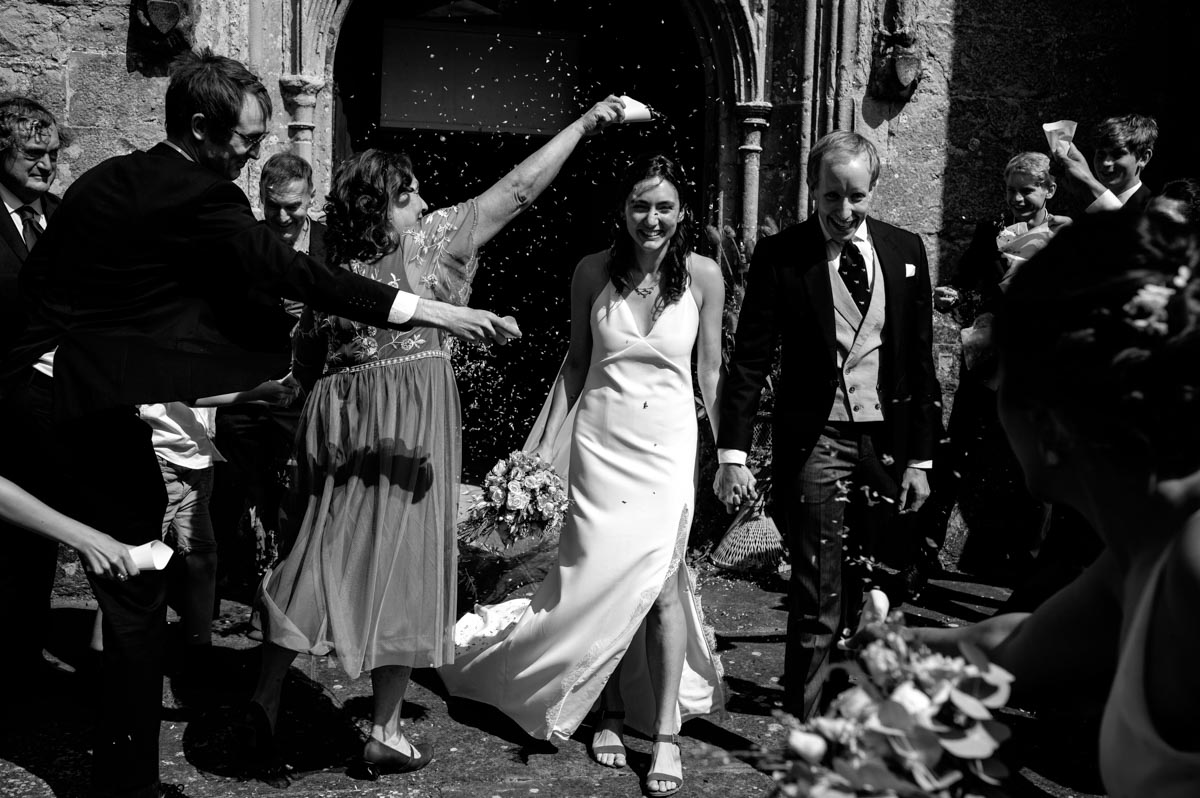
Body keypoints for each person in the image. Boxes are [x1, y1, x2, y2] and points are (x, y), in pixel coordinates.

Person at [0, 48, 518, 798]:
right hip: (75, 410)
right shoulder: (208, 201)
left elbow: (115, 311)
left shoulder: (106, 180)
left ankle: (48, 705)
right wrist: (435, 309)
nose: (254, 151)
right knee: (140, 581)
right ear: (204, 128)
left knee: (51, 564)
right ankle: (125, 785)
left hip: (35, 394)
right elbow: (296, 277)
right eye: (246, 137)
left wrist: (219, 391)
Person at [249, 97, 627, 784]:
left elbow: (303, 362)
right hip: (407, 422)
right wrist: (588, 123)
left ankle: (265, 700)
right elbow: (518, 189)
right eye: (411, 193)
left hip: (337, 419)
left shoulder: (329, 264)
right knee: (408, 564)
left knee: (316, 552)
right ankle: (386, 730)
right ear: (384, 204)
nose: (424, 202)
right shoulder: (425, 248)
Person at [852, 207, 1200, 797]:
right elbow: (1010, 646)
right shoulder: (1144, 549)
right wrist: (892, 643)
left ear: (1050, 415)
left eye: (996, 371)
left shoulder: (1191, 562)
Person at [441, 153, 726, 798]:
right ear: (621, 210)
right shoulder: (592, 271)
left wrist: (730, 454)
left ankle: (665, 734)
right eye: (639, 206)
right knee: (598, 580)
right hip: (602, 449)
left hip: (668, 450)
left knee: (660, 586)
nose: (651, 219)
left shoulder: (705, 276)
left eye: (664, 207)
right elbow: (576, 362)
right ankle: (607, 713)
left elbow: (709, 372)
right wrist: (542, 448)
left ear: (683, 212)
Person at [714, 130, 941, 721]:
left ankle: (868, 701)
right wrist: (732, 453)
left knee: (888, 576)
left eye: (856, 197)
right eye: (831, 198)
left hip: (888, 441)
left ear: (874, 189)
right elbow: (750, 358)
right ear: (812, 191)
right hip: (817, 437)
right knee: (818, 585)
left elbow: (919, 362)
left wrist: (921, 458)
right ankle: (807, 720)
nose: (844, 212)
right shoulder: (782, 255)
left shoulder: (907, 251)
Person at [916, 152, 1070, 590]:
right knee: (951, 458)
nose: (1018, 198)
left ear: (1049, 190)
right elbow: (971, 284)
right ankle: (922, 555)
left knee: (1031, 472)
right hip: (983, 365)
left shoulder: (1064, 236)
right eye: (1011, 190)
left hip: (1031, 371)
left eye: (1028, 189)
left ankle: (1031, 569)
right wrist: (956, 297)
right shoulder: (990, 232)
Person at [211, 152, 322, 599]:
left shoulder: (333, 246)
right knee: (245, 490)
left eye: (293, 206)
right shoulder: (244, 242)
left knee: (299, 494)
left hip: (311, 393)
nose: (281, 216)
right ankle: (249, 584)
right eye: (272, 204)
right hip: (250, 390)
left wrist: (315, 307)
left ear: (311, 197)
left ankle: (289, 593)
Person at [0, 96, 64, 686]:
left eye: (53, 154)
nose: (46, 165)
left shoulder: (63, 216)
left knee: (37, 538)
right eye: (33, 154)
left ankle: (23, 662)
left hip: (47, 406)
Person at [1057, 113, 1157, 215]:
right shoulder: (1084, 206)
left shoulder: (1156, 209)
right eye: (1101, 154)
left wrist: (1090, 183)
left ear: (1144, 158)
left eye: (1117, 154)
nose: (1106, 162)